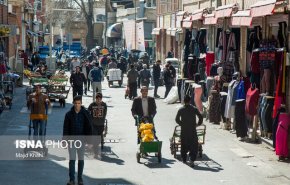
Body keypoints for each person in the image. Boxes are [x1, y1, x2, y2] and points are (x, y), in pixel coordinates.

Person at [63, 95, 93, 185]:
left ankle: (80, 179)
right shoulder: (68, 114)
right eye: (75, 103)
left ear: (81, 103)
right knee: (72, 160)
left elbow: (89, 127)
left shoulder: (85, 113)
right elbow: (65, 128)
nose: (77, 105)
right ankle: (72, 179)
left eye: (79, 103)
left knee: (81, 160)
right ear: (73, 103)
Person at [175, 95, 203, 165]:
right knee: (193, 144)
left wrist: (182, 124)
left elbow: (177, 119)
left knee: (184, 144)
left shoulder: (181, 109)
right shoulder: (194, 109)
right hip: (192, 130)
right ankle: (192, 159)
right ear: (190, 101)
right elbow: (200, 117)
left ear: (184, 101)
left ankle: (184, 159)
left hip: (184, 130)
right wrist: (198, 124)